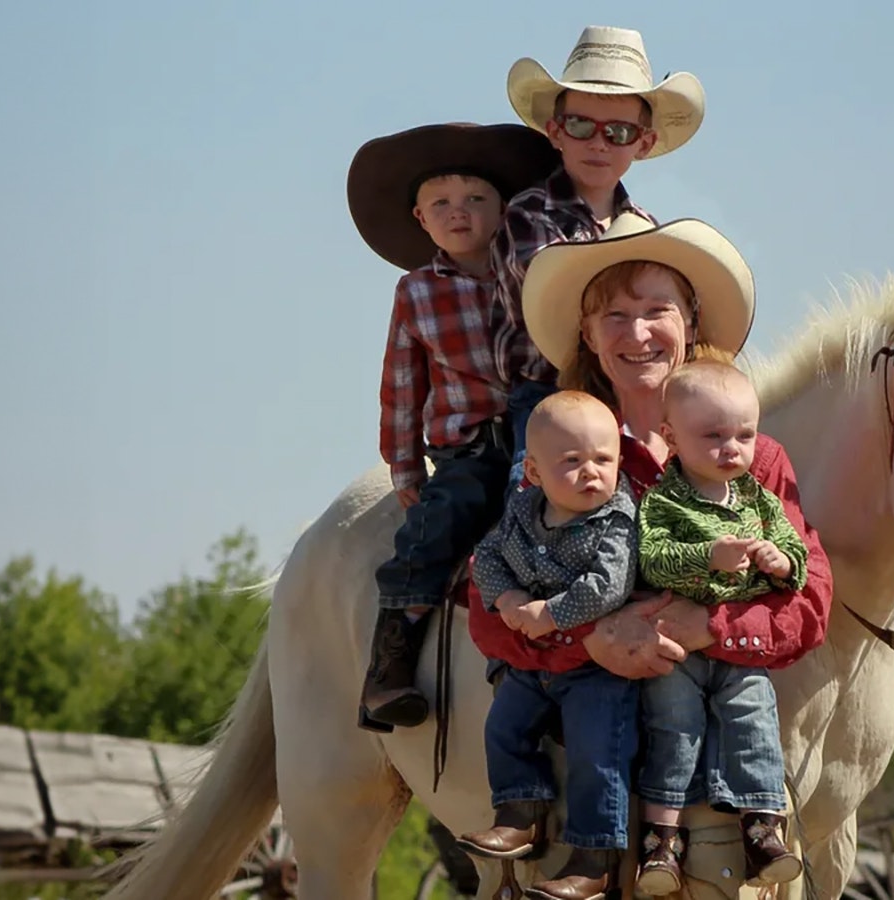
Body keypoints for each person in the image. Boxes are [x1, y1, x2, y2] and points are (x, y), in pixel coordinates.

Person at [464, 212, 834, 898]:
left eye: (657, 310)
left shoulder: (755, 458)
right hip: (584, 741)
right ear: (588, 334)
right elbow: (488, 610)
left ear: (690, 320)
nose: (637, 333)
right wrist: (590, 637)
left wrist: (712, 628)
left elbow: (810, 602)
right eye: (614, 315)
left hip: (714, 752)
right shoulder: (559, 450)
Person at [345, 122, 560, 733]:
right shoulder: (415, 293)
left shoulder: (535, 275)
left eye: (475, 200)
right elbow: (402, 384)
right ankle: (388, 669)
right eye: (441, 203)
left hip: (544, 437)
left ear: (505, 211)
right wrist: (404, 464)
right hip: (470, 448)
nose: (458, 213)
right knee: (435, 529)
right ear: (420, 218)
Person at [493, 25, 707, 496]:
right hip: (548, 394)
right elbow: (560, 301)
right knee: (531, 503)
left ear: (643, 144)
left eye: (618, 132)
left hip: (633, 394)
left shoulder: (646, 227)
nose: (598, 143)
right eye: (580, 126)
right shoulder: (528, 215)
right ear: (555, 131)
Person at [632, 358, 810, 892]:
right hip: (677, 652)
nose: (732, 448)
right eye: (712, 436)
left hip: (738, 649)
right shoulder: (664, 500)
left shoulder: (758, 498)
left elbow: (796, 551)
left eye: (745, 435)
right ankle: (662, 841)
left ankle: (762, 828)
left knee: (754, 720)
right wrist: (707, 555)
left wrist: (782, 562)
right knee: (674, 729)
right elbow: (650, 559)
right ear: (671, 437)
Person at [456, 390, 641, 900]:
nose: (592, 473)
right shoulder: (521, 510)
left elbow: (610, 585)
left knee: (596, 752)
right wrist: (507, 596)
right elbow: (488, 557)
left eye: (604, 460)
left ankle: (595, 857)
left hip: (593, 669)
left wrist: (551, 613)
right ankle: (519, 811)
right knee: (503, 724)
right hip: (533, 663)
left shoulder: (616, 519)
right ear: (534, 474)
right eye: (573, 462)